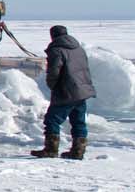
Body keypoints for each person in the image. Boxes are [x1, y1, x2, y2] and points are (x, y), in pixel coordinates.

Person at [32, 25, 95, 160]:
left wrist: (52, 86)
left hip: (67, 91)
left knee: (52, 120)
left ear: (53, 35)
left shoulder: (56, 50)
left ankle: (51, 150)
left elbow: (54, 72)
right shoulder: (78, 49)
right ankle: (78, 151)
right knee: (78, 121)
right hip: (82, 91)